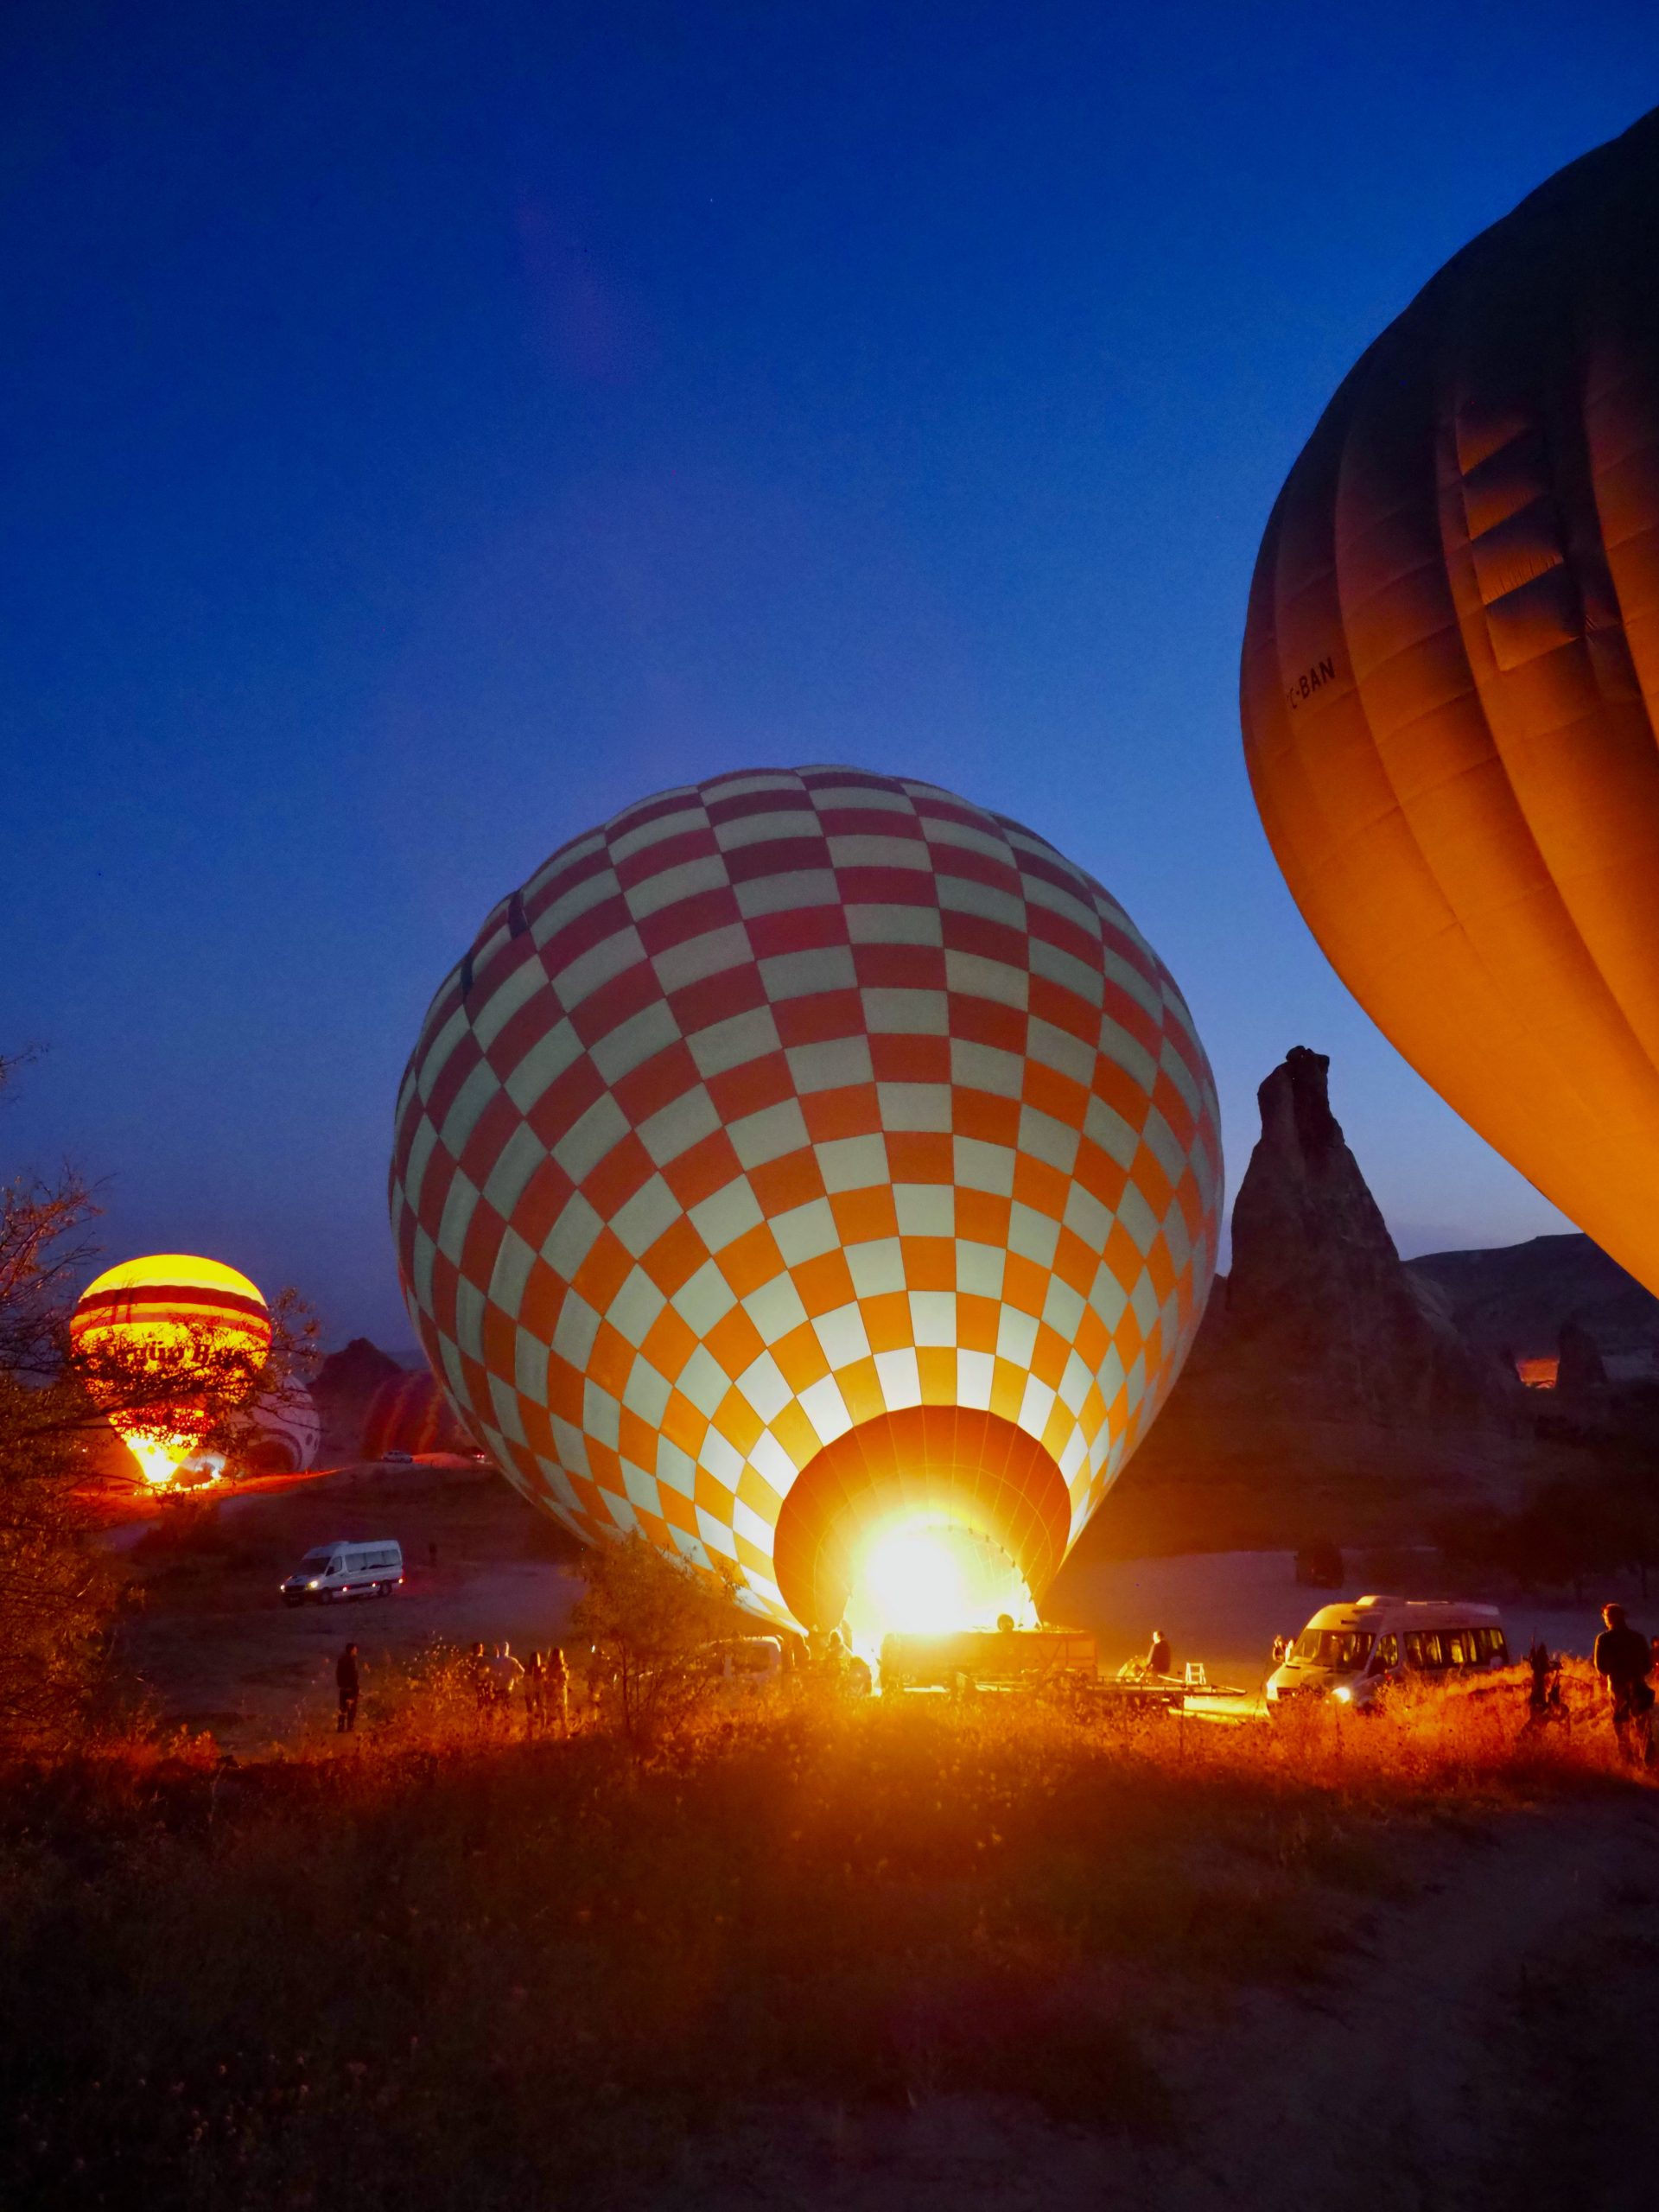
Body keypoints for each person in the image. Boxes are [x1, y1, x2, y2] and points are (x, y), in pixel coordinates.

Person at [1593, 1602, 1655, 1762]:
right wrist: (1637, 1675)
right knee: (1643, 1724)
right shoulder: (1638, 1638)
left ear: (1611, 1618)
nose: (1605, 1620)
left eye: (1606, 1617)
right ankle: (1648, 1759)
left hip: (1616, 1686)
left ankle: (1627, 1759)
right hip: (1638, 1685)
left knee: (1621, 1724)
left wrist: (1614, 1672)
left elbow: (1600, 1667)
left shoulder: (1604, 1639)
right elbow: (1648, 1665)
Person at [487, 1640, 525, 1719]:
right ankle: (506, 1721)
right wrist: (516, 1679)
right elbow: (522, 1671)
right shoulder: (512, 1660)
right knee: (505, 1705)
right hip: (508, 1687)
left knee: (495, 1706)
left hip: (497, 1687)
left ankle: (495, 1721)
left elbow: (490, 1674)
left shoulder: (495, 1661)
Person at [335, 1642, 360, 1734]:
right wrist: (356, 1689)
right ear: (352, 1650)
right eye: (355, 1649)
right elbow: (353, 1676)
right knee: (351, 1711)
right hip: (351, 1689)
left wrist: (340, 1685)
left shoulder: (341, 1660)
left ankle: (340, 1729)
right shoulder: (352, 1661)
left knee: (342, 1710)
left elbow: (338, 1674)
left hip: (343, 1689)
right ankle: (350, 1729)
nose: (356, 1651)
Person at [523, 1649, 547, 1735]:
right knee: (531, 1711)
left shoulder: (542, 1669)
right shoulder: (528, 1669)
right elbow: (525, 1681)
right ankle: (531, 1729)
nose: (535, 1660)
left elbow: (545, 1680)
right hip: (531, 1691)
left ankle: (542, 1728)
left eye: (536, 1659)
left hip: (538, 1691)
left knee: (540, 1709)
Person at [548, 1647, 571, 1734]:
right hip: (558, 1690)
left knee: (559, 1713)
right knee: (560, 1713)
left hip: (558, 1690)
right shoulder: (559, 1665)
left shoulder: (560, 1666)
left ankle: (560, 1732)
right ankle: (557, 1732)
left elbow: (563, 1679)